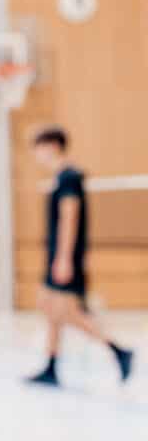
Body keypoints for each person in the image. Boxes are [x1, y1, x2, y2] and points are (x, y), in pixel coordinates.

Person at [25, 126, 134, 387]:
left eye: (38, 148)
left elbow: (69, 217)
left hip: (65, 256)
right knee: (49, 307)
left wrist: (63, 258)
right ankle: (51, 365)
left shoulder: (69, 178)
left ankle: (118, 350)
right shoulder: (60, 178)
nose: (36, 155)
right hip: (57, 254)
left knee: (63, 311)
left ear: (52, 145)